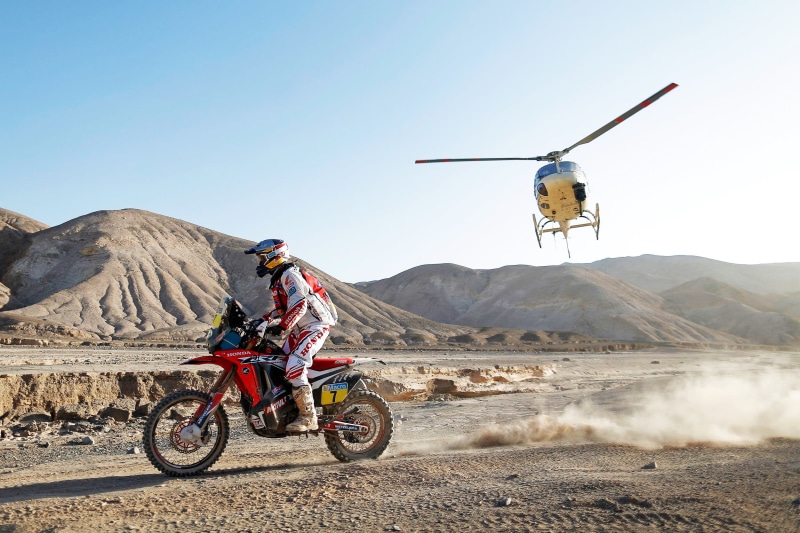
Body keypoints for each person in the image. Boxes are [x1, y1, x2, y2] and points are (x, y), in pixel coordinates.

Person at [244, 238, 338, 432]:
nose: (260, 263)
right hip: (300, 328)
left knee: (295, 365)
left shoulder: (289, 275)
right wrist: (261, 322)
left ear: (273, 256)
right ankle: (289, 408)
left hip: (316, 325)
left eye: (262, 258)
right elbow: (281, 310)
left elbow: (299, 305)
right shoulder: (279, 278)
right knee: (277, 361)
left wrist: (282, 327)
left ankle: (308, 417)